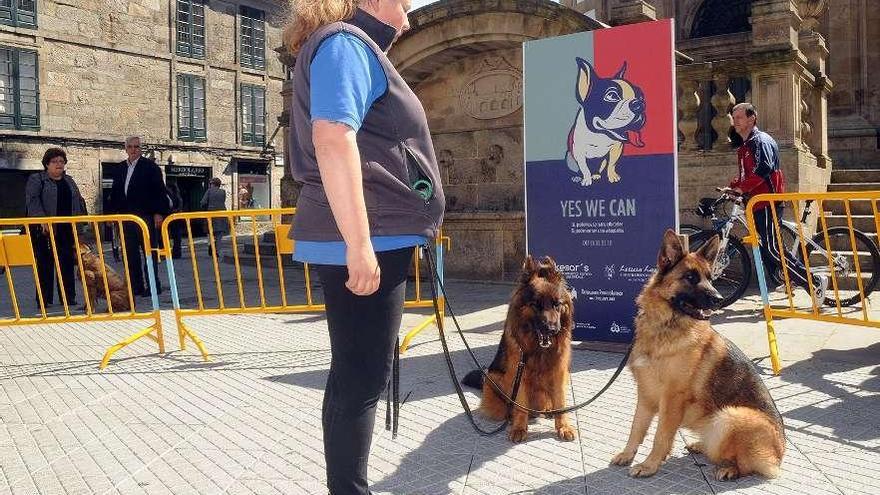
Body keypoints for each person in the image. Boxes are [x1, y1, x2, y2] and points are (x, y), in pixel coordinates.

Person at [284, 0, 445, 493]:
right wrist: (359, 244)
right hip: (364, 235)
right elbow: (333, 139)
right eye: (403, 0)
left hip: (370, 232)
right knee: (361, 380)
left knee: (355, 374)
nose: (411, 8)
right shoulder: (346, 44)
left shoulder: (350, 44)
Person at [727, 102, 828, 303]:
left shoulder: (761, 141)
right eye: (734, 117)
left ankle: (814, 282)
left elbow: (764, 170)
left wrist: (742, 188)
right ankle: (790, 278)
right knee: (768, 249)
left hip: (767, 202)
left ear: (751, 118)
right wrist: (733, 187)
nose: (734, 121)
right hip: (756, 203)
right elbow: (747, 174)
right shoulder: (746, 145)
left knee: (772, 250)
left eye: (739, 117)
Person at [25, 148, 87, 307]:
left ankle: (68, 298)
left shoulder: (69, 181)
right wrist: (42, 220)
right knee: (45, 264)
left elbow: (79, 202)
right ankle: (44, 300)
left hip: (67, 230)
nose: (59, 164)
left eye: (61, 161)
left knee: (66, 263)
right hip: (45, 230)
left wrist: (80, 227)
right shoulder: (37, 179)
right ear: (47, 164)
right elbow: (33, 201)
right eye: (54, 162)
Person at [109, 136, 170, 297]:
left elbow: (159, 191)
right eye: (130, 147)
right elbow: (115, 192)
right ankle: (136, 287)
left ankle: (153, 286)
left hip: (146, 216)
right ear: (126, 149)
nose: (133, 149)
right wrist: (111, 214)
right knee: (130, 254)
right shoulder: (120, 168)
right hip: (126, 217)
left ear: (140, 149)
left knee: (150, 252)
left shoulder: (150, 167)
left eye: (136, 146)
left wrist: (158, 213)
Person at [200, 177, 228, 256]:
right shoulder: (223, 192)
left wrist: (204, 206)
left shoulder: (209, 191)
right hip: (221, 214)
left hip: (211, 214)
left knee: (210, 232)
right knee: (219, 234)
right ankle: (217, 251)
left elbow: (203, 202)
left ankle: (210, 245)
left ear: (212, 184)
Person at [167, 183, 184, 259]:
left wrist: (171, 211)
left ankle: (175, 252)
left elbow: (179, 208)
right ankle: (176, 252)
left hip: (173, 218)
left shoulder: (174, 197)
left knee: (175, 236)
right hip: (176, 219)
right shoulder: (177, 197)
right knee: (176, 237)